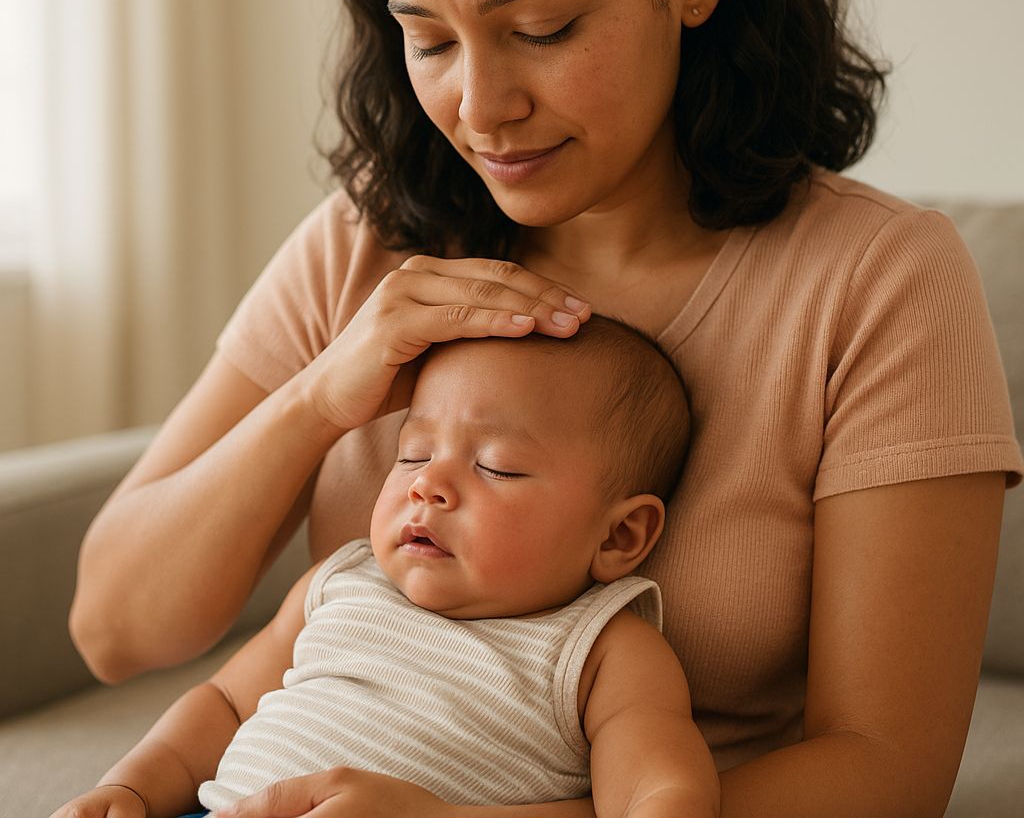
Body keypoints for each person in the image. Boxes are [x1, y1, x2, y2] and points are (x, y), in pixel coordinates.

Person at [69, 0, 1023, 815]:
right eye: (428, 41)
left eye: (541, 27)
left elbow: (889, 768)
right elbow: (117, 628)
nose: (480, 108)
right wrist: (318, 398)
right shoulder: (367, 239)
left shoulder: (879, 280)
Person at [51, 319, 719, 818]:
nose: (427, 485)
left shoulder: (601, 649)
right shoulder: (340, 582)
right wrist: (130, 786)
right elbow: (224, 703)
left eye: (495, 466)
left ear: (621, 534)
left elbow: (658, 791)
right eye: (413, 454)